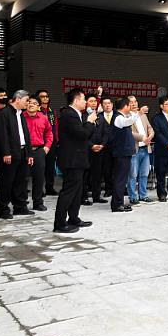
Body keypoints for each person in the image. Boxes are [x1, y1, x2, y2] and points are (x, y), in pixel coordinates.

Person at [55, 88, 97, 233]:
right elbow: (82, 134)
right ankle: (59, 224)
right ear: (77, 100)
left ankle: (74, 218)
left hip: (78, 159)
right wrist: (90, 122)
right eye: (84, 99)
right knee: (69, 191)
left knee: (77, 191)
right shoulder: (69, 115)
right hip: (71, 159)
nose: (86, 102)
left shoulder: (77, 114)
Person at [0, 90, 34, 220]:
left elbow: (25, 135)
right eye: (26, 100)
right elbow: (1, 135)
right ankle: (4, 209)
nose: (28, 103)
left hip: (22, 152)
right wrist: (6, 152)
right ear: (18, 99)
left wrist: (29, 153)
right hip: (10, 153)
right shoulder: (4, 113)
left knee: (21, 181)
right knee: (7, 182)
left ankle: (20, 207)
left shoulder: (20, 114)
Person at [23, 95, 53, 212]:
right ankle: (22, 203)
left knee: (39, 178)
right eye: (29, 102)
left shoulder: (43, 118)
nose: (31, 104)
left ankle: (38, 202)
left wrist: (47, 146)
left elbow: (49, 132)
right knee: (23, 177)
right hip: (24, 151)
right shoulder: (21, 117)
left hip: (39, 150)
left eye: (34, 103)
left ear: (39, 107)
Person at [109, 97, 138, 212]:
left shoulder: (121, 116)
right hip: (120, 153)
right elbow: (128, 122)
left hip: (124, 153)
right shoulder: (118, 118)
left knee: (122, 178)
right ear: (125, 106)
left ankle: (119, 202)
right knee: (120, 179)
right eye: (129, 105)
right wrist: (136, 113)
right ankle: (117, 204)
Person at [127, 95, 154, 204]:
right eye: (131, 102)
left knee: (144, 174)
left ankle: (143, 195)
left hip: (145, 148)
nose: (134, 104)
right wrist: (142, 137)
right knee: (133, 174)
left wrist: (150, 136)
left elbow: (149, 128)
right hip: (135, 149)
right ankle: (133, 197)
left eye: (135, 101)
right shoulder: (127, 116)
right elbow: (130, 132)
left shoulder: (143, 116)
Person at [88, 96, 114, 204]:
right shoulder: (84, 116)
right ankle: (83, 196)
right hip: (88, 150)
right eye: (91, 101)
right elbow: (83, 134)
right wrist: (91, 145)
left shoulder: (100, 116)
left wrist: (102, 144)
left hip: (100, 149)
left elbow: (106, 133)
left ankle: (96, 196)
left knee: (97, 174)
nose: (94, 103)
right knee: (86, 174)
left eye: (95, 101)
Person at [36, 89, 58, 195]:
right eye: (42, 96)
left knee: (50, 166)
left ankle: (50, 187)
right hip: (40, 142)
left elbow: (55, 127)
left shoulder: (51, 111)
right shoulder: (36, 111)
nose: (45, 98)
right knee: (40, 167)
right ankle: (39, 190)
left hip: (52, 142)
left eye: (46, 96)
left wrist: (57, 139)